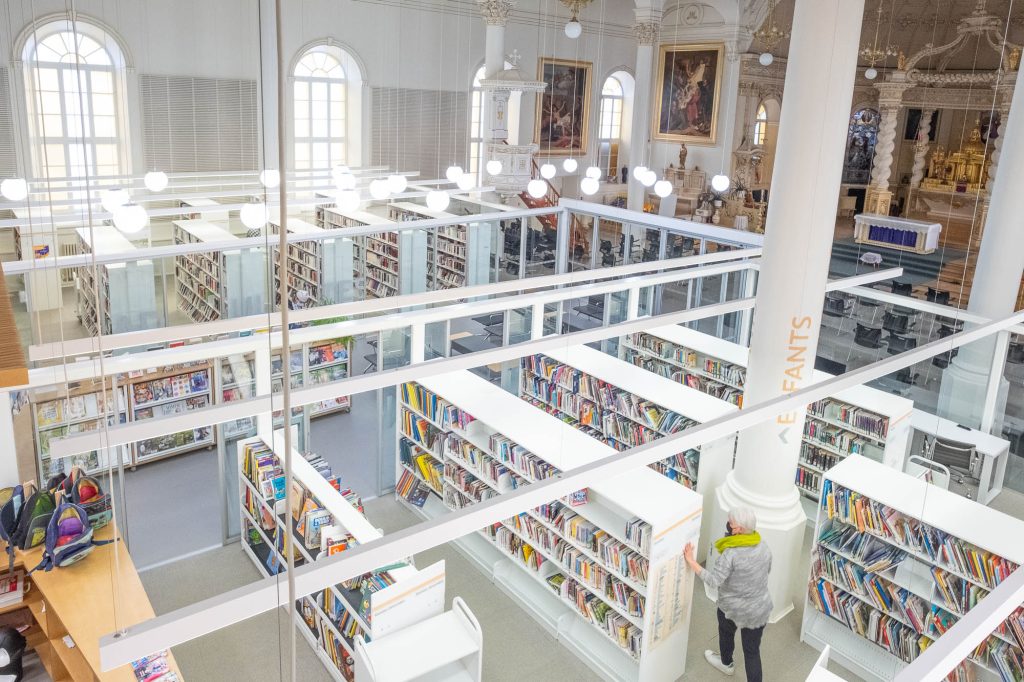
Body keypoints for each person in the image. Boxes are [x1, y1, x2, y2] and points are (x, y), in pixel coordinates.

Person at [683, 506, 772, 681]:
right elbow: (765, 569)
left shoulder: (730, 554)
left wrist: (692, 562)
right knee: (752, 652)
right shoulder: (763, 545)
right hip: (758, 609)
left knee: (726, 632)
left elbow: (714, 580)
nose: (728, 524)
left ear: (737, 529)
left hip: (731, 608)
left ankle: (726, 664)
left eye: (731, 523)